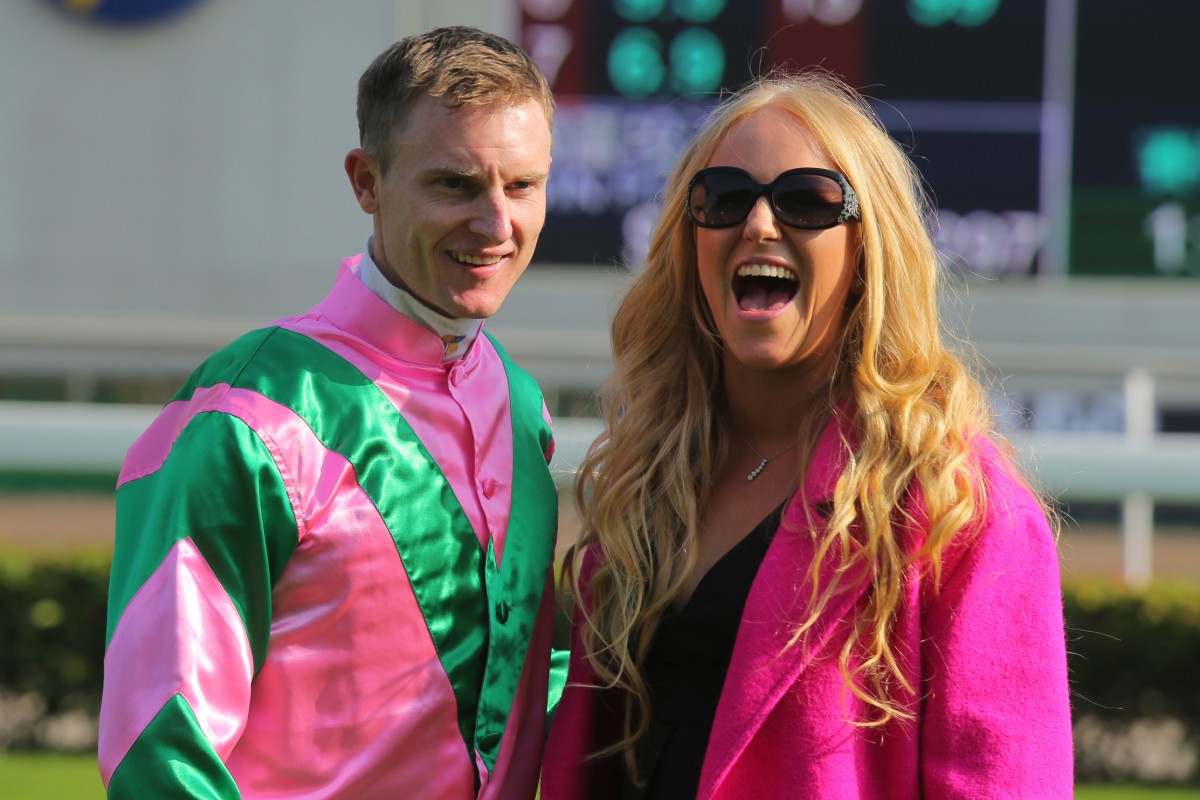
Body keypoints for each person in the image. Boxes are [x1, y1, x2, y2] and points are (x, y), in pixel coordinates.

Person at [542, 71, 1073, 799]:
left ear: (867, 252)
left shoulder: (958, 506)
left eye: (808, 201)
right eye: (725, 198)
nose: (759, 224)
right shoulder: (648, 476)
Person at [98, 26, 559, 799]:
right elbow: (159, 745)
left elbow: (525, 683)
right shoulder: (244, 414)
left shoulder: (518, 401)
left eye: (522, 186)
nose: (495, 225)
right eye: (454, 184)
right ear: (366, 182)